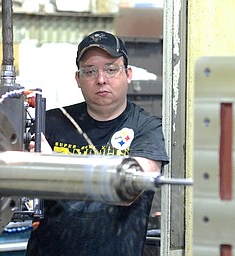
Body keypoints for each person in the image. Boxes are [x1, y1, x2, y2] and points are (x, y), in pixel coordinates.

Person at [26, 30, 169, 256]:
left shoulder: (146, 127)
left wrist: (53, 164)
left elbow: (131, 187)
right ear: (78, 79)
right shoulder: (51, 122)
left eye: (111, 69)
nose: (101, 79)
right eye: (90, 71)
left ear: (128, 74)